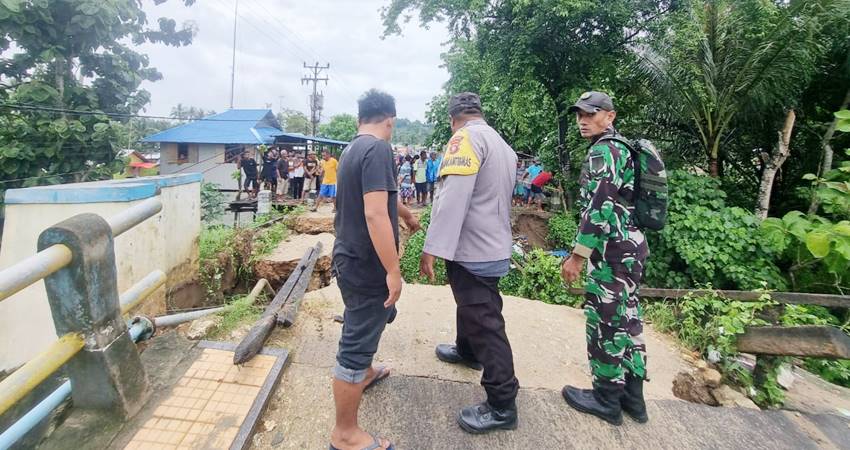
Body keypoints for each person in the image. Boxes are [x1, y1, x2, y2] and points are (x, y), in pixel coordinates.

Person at [420, 92, 519, 434]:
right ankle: (467, 350)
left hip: (473, 248)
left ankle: (503, 402)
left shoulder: (464, 139)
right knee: (472, 307)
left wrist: (431, 247)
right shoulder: (500, 143)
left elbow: (453, 198)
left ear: (453, 119)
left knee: (485, 320)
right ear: (479, 112)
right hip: (492, 244)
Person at [330, 89, 419, 450]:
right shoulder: (380, 149)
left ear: (359, 120)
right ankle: (345, 434)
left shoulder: (351, 148)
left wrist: (408, 215)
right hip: (365, 263)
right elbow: (373, 212)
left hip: (346, 255)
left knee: (368, 318)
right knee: (357, 337)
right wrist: (393, 271)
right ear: (390, 120)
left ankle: (365, 372)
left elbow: (378, 199)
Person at [560, 91, 649, 426]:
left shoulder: (604, 150)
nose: (583, 120)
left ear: (609, 116)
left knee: (606, 323)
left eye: (590, 114)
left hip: (612, 251)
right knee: (627, 319)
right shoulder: (622, 148)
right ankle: (633, 399)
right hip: (631, 248)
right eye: (579, 115)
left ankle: (606, 399)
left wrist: (578, 256)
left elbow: (600, 207)